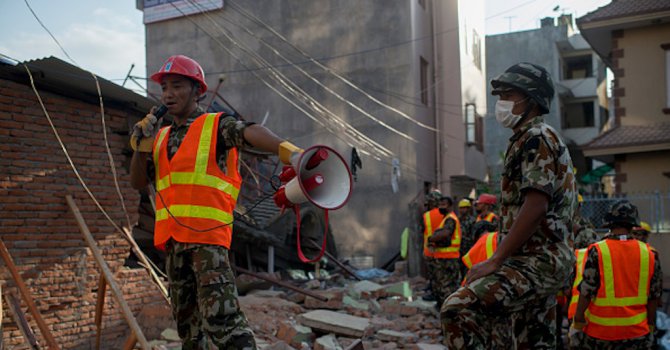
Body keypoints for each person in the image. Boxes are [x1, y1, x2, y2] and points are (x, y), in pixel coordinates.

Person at [129, 54, 306, 349]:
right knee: (189, 329)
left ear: (197, 91)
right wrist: (141, 146)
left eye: (177, 86)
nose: (168, 94)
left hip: (207, 243)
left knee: (224, 324)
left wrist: (292, 153)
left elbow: (249, 132)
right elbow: (137, 182)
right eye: (164, 88)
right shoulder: (159, 138)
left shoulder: (216, 126)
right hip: (173, 245)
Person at [441, 62, 577, 349]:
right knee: (534, 342)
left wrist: (495, 260)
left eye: (509, 95)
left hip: (538, 261)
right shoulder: (529, 138)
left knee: (458, 307)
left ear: (532, 99)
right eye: (500, 95)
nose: (501, 103)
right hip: (539, 260)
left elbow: (536, 205)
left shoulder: (536, 138)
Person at [570, 200, 662, 349]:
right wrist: (650, 327)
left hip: (600, 335)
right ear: (633, 224)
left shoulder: (597, 250)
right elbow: (654, 296)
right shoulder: (649, 253)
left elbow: (587, 290)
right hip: (637, 333)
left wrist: (578, 323)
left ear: (609, 224)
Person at [426, 196, 462, 308]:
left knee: (446, 286)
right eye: (440, 205)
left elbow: (445, 234)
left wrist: (431, 239)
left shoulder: (450, 219)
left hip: (448, 258)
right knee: (441, 285)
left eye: (444, 205)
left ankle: (448, 310)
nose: (441, 207)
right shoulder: (446, 218)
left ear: (450, 206)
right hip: (444, 257)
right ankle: (443, 308)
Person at [420, 189, 447, 301]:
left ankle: (434, 294)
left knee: (433, 274)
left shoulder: (427, 215)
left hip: (430, 250)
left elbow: (423, 230)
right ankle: (441, 295)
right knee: (443, 276)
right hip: (445, 250)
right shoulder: (446, 215)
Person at [457, 198, 475, 277]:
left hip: (468, 249)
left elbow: (473, 236)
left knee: (467, 270)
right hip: (458, 249)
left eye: (464, 208)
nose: (462, 210)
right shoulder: (457, 220)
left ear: (468, 209)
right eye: (461, 208)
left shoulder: (472, 221)